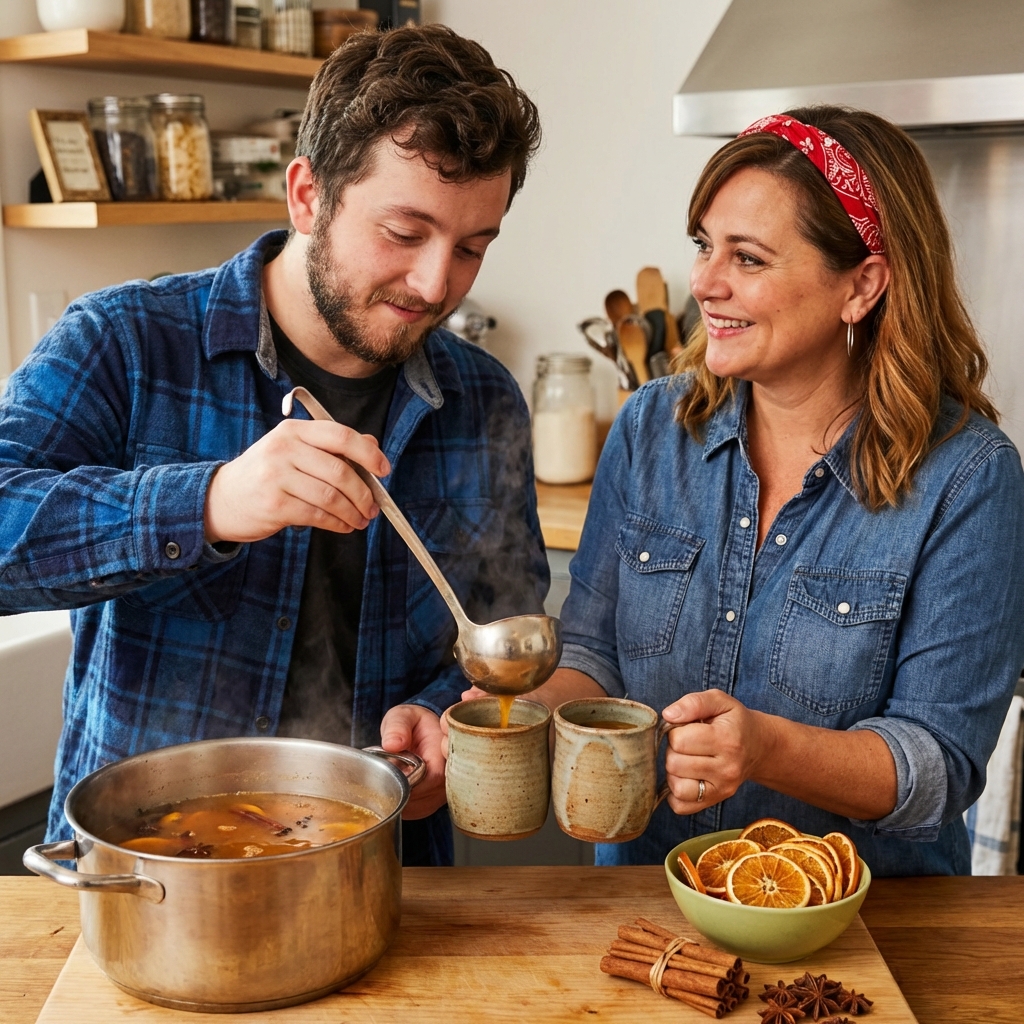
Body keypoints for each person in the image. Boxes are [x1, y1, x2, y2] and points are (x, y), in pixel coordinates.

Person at [0, 25, 545, 866]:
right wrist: (211, 501)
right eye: (404, 233)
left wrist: (445, 714)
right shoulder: (125, 342)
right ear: (306, 196)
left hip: (379, 874)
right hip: (149, 874)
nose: (437, 284)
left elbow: (500, 621)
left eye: (472, 246)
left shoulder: (483, 399)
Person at [505, 106, 1024, 876]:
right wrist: (513, 718)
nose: (705, 283)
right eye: (704, 246)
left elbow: (937, 765)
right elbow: (596, 652)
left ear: (862, 286)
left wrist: (766, 747)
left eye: (747, 258)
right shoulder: (653, 426)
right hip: (648, 899)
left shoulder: (968, 478)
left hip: (861, 928)